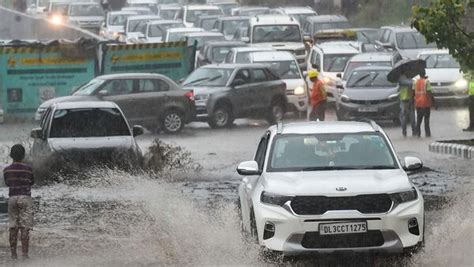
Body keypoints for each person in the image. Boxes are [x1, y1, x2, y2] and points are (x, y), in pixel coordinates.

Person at [3, 144, 34, 260]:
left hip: (12, 198)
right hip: (25, 198)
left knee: (13, 227)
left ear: (11, 155)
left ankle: (13, 254)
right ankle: (25, 254)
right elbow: (32, 181)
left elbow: (7, 183)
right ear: (24, 155)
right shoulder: (29, 168)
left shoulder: (6, 170)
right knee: (25, 227)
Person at [414, 71, 434, 137]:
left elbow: (413, 93)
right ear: (424, 74)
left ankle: (418, 134)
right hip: (426, 104)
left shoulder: (415, 82)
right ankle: (427, 134)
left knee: (419, 120)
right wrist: (434, 102)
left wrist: (413, 102)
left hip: (418, 104)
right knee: (426, 120)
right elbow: (430, 92)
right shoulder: (426, 82)